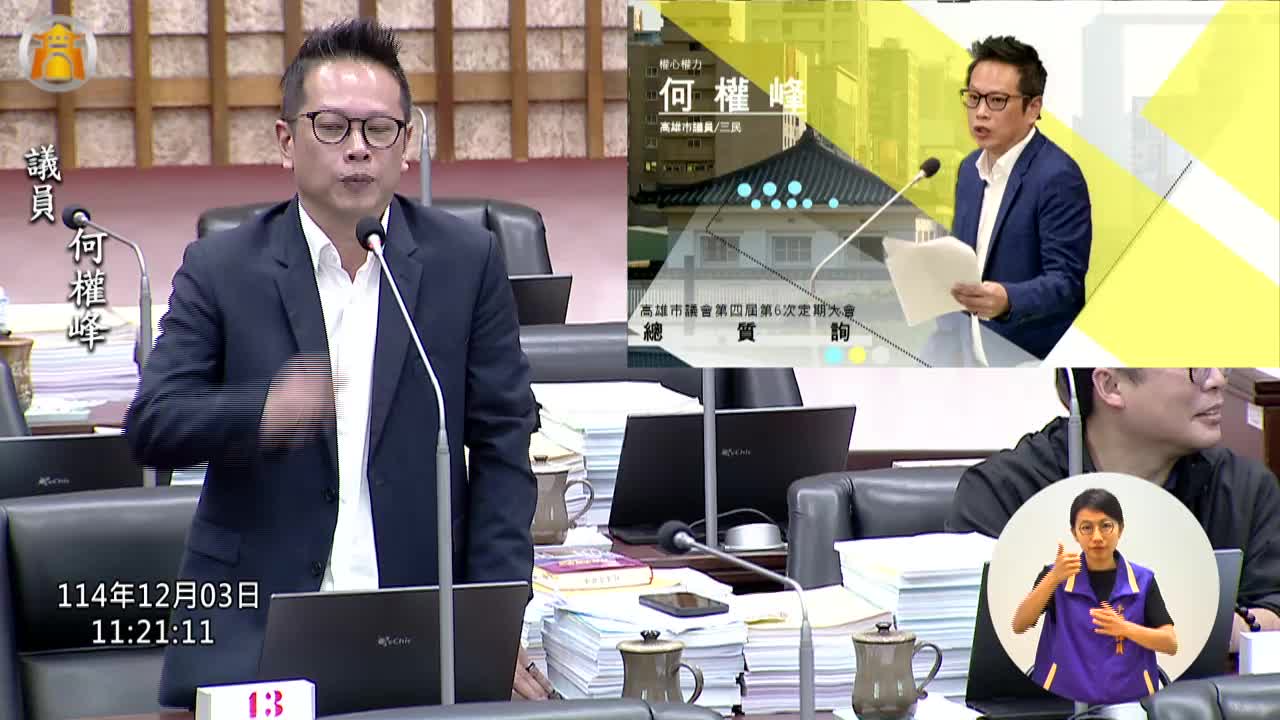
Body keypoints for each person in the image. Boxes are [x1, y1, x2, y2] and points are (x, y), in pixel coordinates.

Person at [125, 18, 553, 706]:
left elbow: (504, 445)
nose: (358, 148)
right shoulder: (222, 267)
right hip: (253, 631)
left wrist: (490, 623)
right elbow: (152, 425)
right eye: (331, 127)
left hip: (417, 623)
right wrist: (261, 412)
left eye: (379, 129)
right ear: (286, 140)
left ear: (406, 144)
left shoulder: (464, 262)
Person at [948, 368, 1280, 653]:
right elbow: (976, 631)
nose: (1217, 380)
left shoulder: (1244, 488)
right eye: (1195, 365)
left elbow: (1273, 610)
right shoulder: (1003, 492)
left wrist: (1206, 631)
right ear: (1111, 385)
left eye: (1220, 362)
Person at [950, 36, 1091, 360]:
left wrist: (1008, 299)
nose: (980, 112)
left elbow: (1066, 284)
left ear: (1033, 108)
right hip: (968, 357)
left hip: (1027, 362)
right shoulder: (969, 171)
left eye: (997, 100)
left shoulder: (1057, 177)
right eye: (973, 97)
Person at [1013, 488, 1176, 705]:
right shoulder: (1056, 575)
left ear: (1120, 529)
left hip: (1130, 700)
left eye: (1106, 526)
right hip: (1064, 699)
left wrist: (1125, 628)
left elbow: (1170, 643)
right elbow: (1020, 624)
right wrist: (1053, 578)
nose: (1097, 537)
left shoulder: (1143, 580)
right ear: (1075, 533)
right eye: (1087, 528)